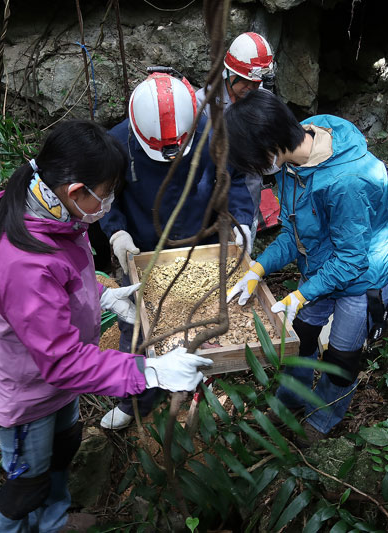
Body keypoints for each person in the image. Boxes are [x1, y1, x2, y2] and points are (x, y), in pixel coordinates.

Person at [0, 119, 213, 532]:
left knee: (63, 450)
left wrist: (100, 300)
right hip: (28, 394)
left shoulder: (58, 215)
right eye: (106, 194)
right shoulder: (23, 260)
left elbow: (54, 301)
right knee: (26, 485)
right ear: (75, 192)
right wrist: (150, 370)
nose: (110, 201)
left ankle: (53, 521)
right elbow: (61, 360)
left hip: (58, 388)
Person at [225, 90, 388, 446]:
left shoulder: (345, 184)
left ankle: (321, 420)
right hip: (323, 264)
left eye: (256, 162)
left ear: (271, 147)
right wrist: (258, 268)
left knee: (341, 359)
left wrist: (303, 294)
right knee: (300, 339)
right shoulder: (298, 151)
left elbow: (353, 260)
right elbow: (295, 232)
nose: (260, 173)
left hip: (361, 278)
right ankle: (288, 402)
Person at [98, 72, 255, 430]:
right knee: (135, 328)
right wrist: (116, 232)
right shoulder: (118, 143)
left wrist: (242, 223)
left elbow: (235, 183)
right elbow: (104, 198)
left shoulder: (214, 134)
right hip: (142, 249)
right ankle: (135, 400)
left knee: (204, 320)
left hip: (202, 242)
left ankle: (203, 388)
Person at [195, 31, 276, 253]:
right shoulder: (204, 104)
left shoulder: (264, 101)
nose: (251, 88)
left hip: (246, 197)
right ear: (229, 74)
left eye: (256, 82)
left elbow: (274, 152)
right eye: (246, 83)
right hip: (208, 198)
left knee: (241, 255)